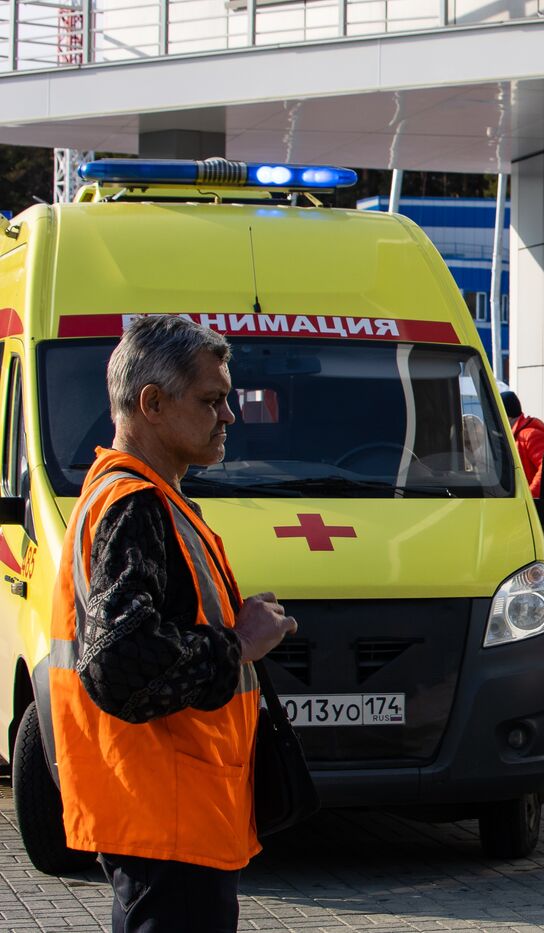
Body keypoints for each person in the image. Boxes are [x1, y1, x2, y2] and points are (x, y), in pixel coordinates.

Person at [51, 316, 297, 931]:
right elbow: (121, 664)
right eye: (212, 400)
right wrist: (240, 643)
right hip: (167, 817)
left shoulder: (138, 497)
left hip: (172, 814)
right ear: (151, 404)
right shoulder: (135, 505)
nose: (229, 416)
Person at [503, 390, 544, 497]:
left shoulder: (530, 435)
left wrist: (530, 495)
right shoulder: (514, 435)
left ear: (506, 415)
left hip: (530, 504)